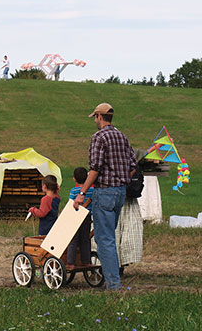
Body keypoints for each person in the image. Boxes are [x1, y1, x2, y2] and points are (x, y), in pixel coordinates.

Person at [73, 102, 137, 290]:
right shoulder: (122, 136)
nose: (95, 119)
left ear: (99, 117)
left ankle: (114, 285)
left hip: (105, 192)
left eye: (95, 117)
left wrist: (82, 193)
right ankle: (113, 280)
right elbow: (133, 166)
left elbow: (94, 169)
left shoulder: (99, 137)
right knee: (110, 236)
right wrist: (122, 180)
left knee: (104, 240)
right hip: (120, 192)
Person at [115, 150, 146, 273]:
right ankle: (121, 264)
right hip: (129, 202)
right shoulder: (133, 162)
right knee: (126, 233)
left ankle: (115, 264)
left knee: (115, 233)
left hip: (115, 200)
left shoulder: (114, 163)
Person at [66, 167, 94, 270]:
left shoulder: (74, 191)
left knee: (73, 240)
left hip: (76, 218)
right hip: (87, 217)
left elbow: (70, 204)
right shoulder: (92, 191)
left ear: (74, 179)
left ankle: (71, 262)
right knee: (85, 240)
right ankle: (86, 261)